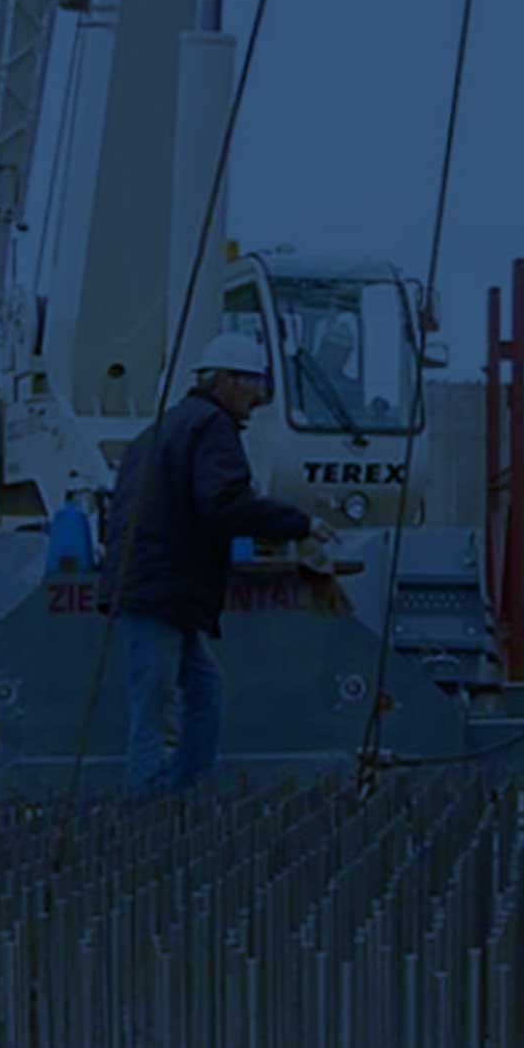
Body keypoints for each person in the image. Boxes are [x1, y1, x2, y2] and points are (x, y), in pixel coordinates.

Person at [104, 331, 331, 796]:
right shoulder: (212, 427)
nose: (259, 398)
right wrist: (299, 524)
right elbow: (225, 503)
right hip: (163, 592)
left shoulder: (162, 428)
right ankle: (151, 810)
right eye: (255, 384)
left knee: (203, 690)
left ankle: (185, 793)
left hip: (159, 588)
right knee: (156, 714)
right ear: (227, 381)